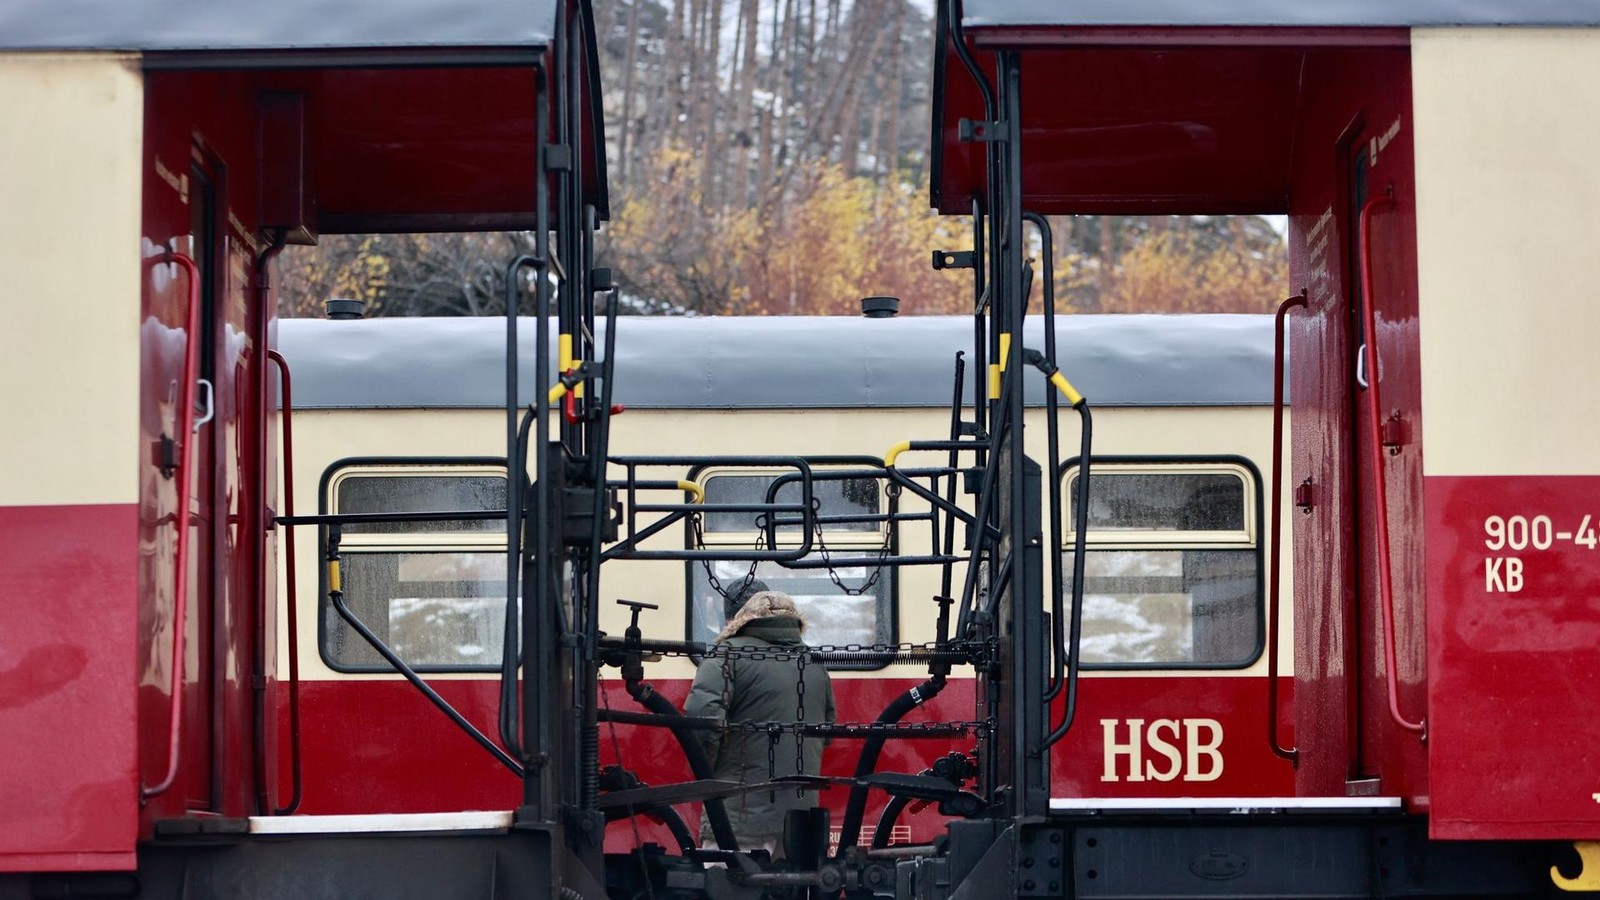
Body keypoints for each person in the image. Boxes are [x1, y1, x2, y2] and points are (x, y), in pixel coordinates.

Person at [685, 580, 836, 857]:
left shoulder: (726, 656)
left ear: (735, 616)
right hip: (801, 820)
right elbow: (825, 735)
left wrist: (707, 775)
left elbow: (700, 724)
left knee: (728, 887)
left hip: (740, 818)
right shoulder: (815, 665)